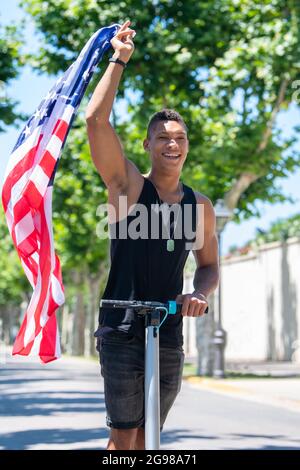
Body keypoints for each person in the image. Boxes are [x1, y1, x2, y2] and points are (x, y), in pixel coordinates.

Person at [85, 20, 219, 450]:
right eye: (162, 137)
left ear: (187, 146)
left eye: (179, 138)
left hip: (167, 328)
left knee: (151, 436)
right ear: (146, 145)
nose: (172, 145)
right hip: (121, 327)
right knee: (124, 438)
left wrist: (198, 294)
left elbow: (210, 266)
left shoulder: (200, 206)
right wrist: (119, 59)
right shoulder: (127, 188)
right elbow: (95, 120)